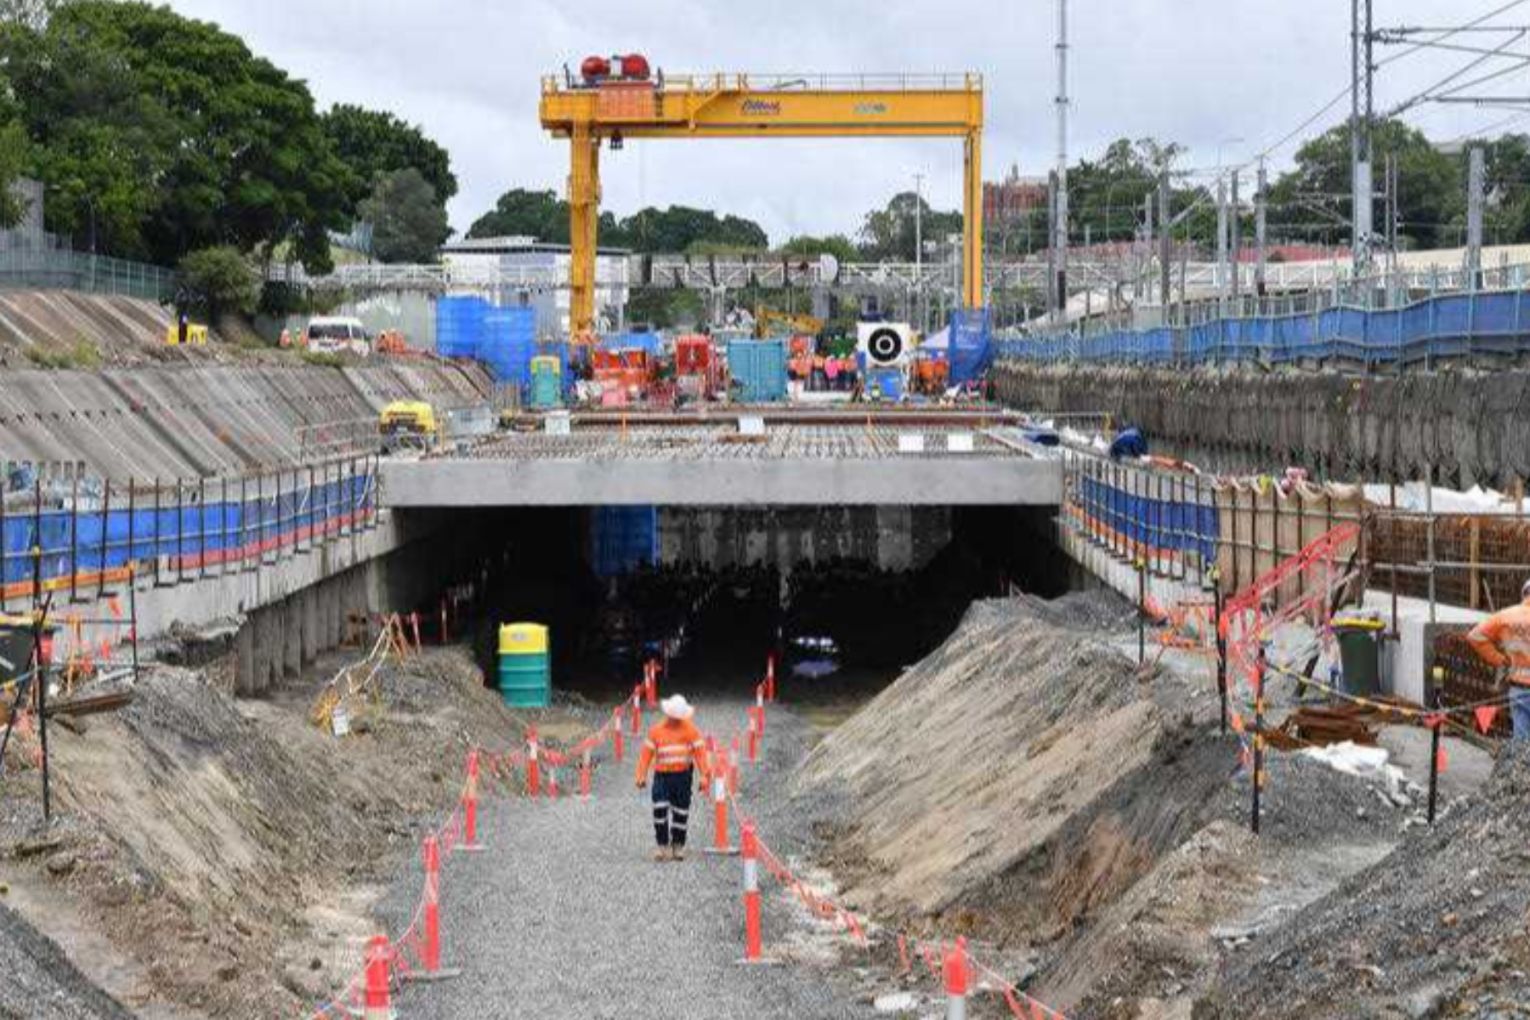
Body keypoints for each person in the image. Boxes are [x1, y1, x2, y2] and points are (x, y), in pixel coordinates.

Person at [634, 694, 710, 861]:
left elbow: (701, 754)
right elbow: (646, 755)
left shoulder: (691, 730)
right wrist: (641, 775)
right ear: (667, 714)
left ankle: (678, 845)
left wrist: (705, 776)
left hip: (683, 776)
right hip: (662, 776)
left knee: (681, 812)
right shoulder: (656, 731)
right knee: (659, 809)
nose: (676, 720)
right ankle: (662, 846)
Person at [1467, 578, 1530, 740]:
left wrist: (1500, 659)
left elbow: (1475, 636)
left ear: (1524, 595)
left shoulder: (1505, 616)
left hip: (1519, 687)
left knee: (1521, 744)